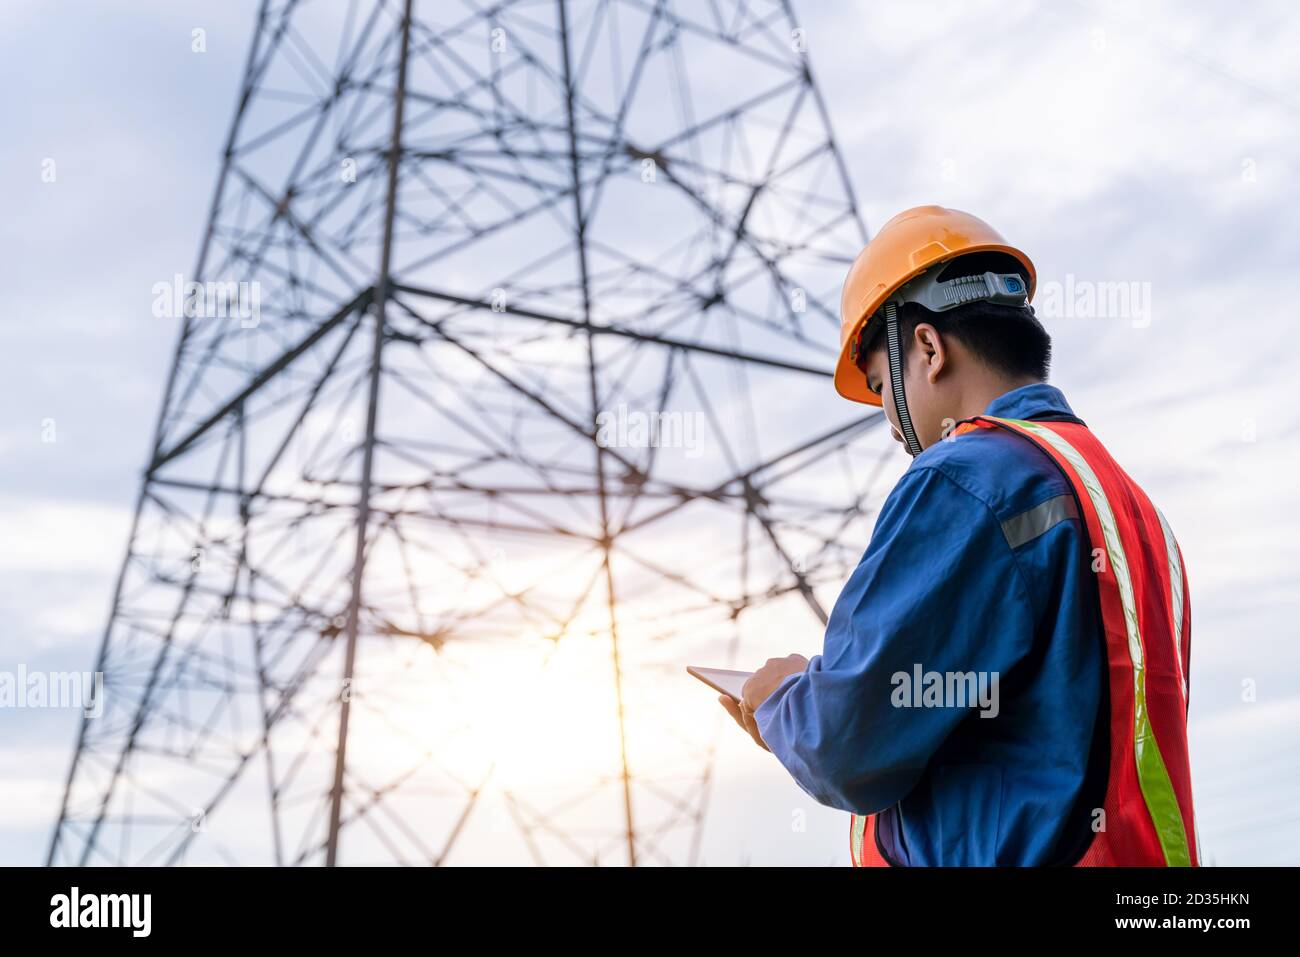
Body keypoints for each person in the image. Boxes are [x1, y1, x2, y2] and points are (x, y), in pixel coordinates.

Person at [721, 206, 1199, 866]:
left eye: (885, 387)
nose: (891, 422)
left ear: (928, 348)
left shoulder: (969, 477)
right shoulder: (1130, 506)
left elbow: (846, 743)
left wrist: (781, 701)